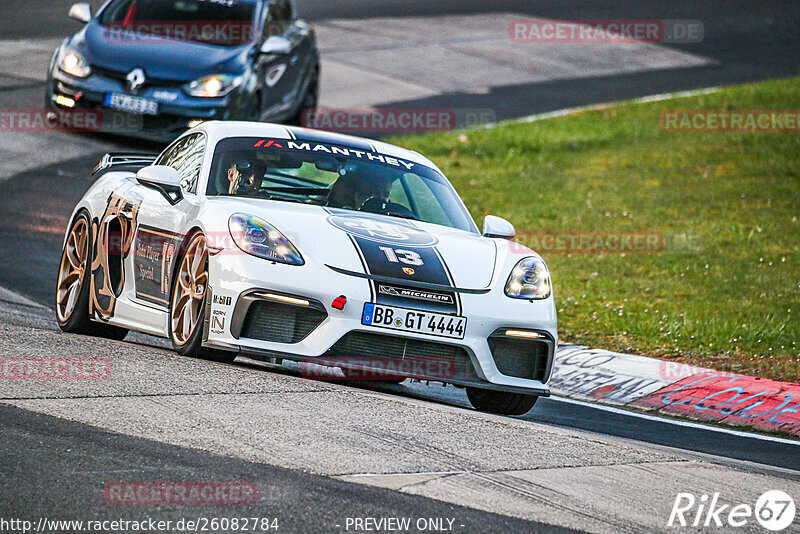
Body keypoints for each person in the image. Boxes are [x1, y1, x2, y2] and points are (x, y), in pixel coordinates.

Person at [327, 169, 392, 210]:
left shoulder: (390, 215)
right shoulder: (343, 213)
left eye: (386, 195)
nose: (381, 198)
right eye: (376, 193)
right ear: (359, 195)